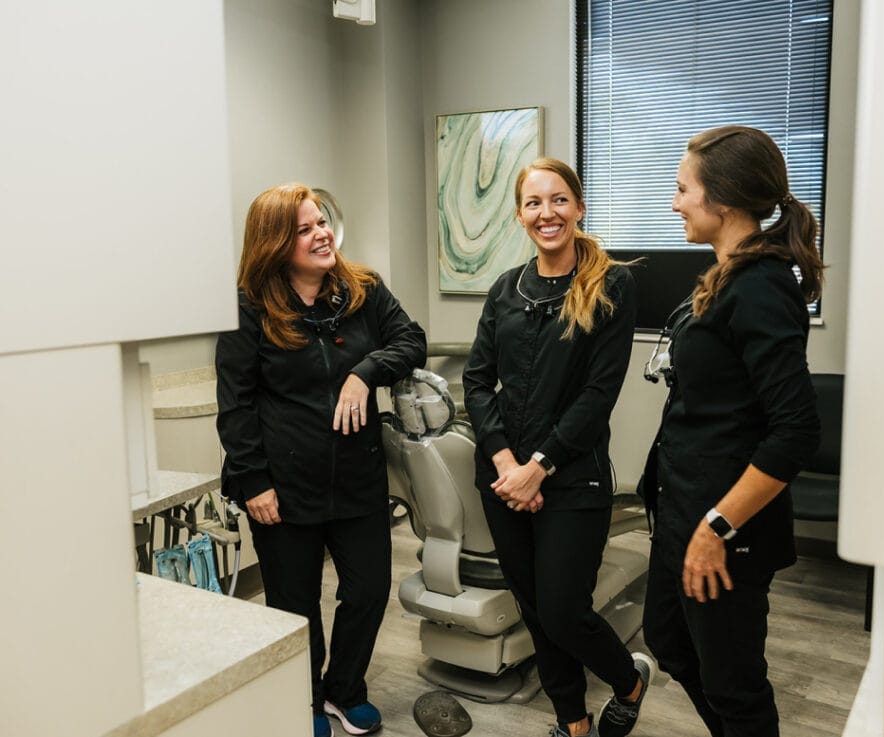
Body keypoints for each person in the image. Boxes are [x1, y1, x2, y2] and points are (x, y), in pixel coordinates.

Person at [215, 183, 426, 737]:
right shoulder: (247, 307)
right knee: (294, 602)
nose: (322, 233)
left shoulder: (363, 289)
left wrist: (366, 371)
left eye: (322, 222)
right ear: (275, 242)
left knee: (369, 589)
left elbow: (412, 340)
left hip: (357, 477)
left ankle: (344, 689)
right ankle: (303, 699)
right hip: (282, 486)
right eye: (305, 228)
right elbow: (235, 407)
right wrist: (253, 481)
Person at [640, 125, 824, 737]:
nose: (674, 203)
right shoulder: (725, 276)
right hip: (683, 513)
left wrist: (719, 525)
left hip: (723, 528)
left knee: (734, 685)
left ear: (721, 200)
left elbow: (795, 430)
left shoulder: (762, 286)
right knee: (670, 642)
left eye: (682, 189)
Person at [463, 157, 653, 737]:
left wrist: (539, 468)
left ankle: (629, 680)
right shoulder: (505, 290)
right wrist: (505, 464)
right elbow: (477, 380)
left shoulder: (611, 285)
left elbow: (599, 394)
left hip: (572, 478)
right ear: (520, 216)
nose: (547, 213)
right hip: (502, 479)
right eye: (533, 203)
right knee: (537, 614)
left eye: (558, 200)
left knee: (565, 611)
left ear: (578, 206)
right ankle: (571, 722)